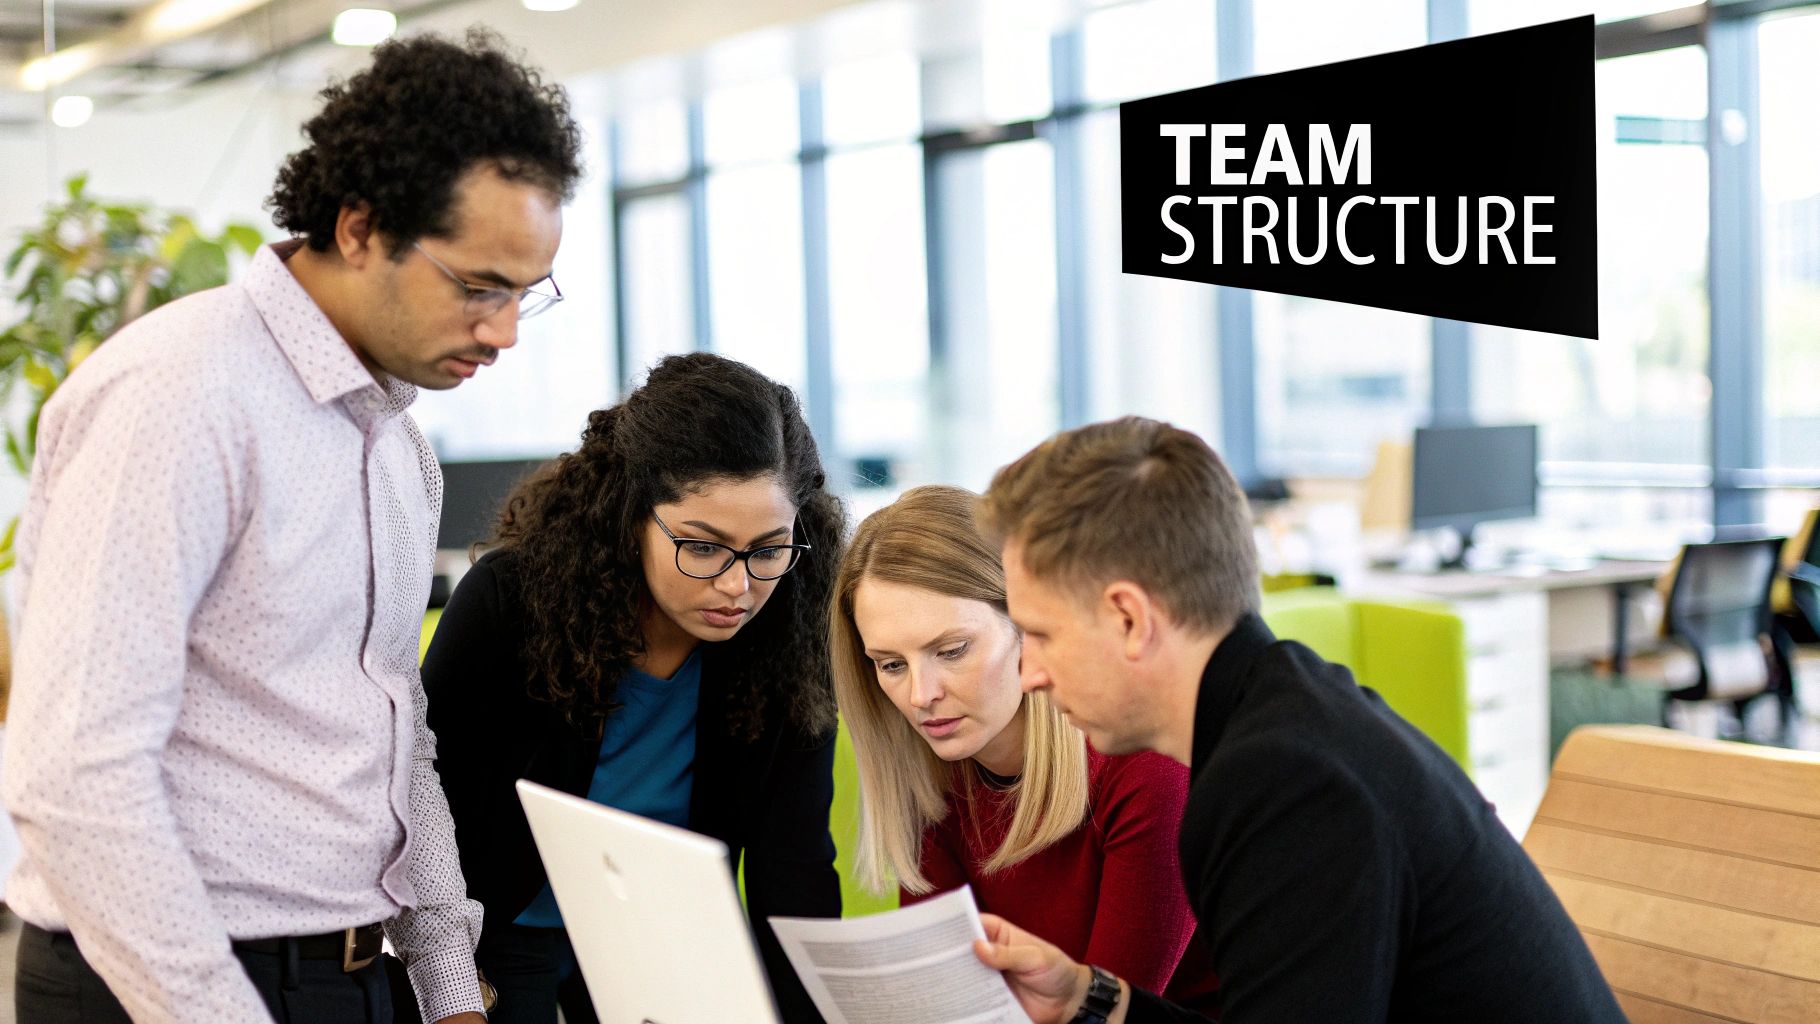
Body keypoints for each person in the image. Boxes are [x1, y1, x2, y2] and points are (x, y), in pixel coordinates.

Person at [1, 29, 583, 1024]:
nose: (504, 331)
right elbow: (77, 778)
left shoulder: (396, 447)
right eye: (478, 285)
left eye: (525, 293)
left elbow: (392, 729)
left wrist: (448, 983)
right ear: (359, 229)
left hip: (347, 978)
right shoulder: (181, 397)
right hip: (165, 983)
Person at [969, 417, 1626, 1024]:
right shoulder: (1286, 713)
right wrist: (1087, 998)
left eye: (1041, 635)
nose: (1030, 674)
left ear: (1129, 619)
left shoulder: (1285, 781)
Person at [421, 353, 846, 1024]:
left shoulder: (792, 627)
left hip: (659, 930)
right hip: (499, 923)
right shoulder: (510, 602)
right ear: (630, 515)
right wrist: (442, 974)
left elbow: (794, 871)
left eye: (768, 549)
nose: (737, 586)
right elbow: (424, 804)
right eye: (702, 547)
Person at [830, 485, 1219, 1012]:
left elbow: (1107, 1013)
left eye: (952, 651)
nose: (921, 696)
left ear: (1027, 628)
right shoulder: (933, 777)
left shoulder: (1149, 769)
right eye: (891, 665)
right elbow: (950, 1009)